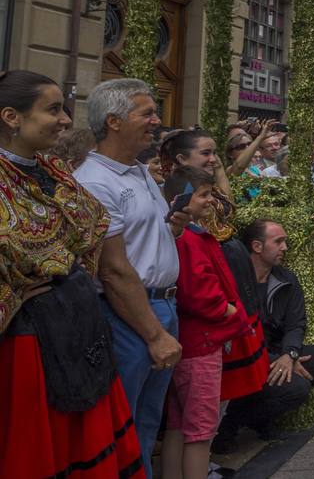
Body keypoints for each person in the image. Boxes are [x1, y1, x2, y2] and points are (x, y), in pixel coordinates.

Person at [0, 71, 145, 479]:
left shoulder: (54, 170)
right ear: (11, 117)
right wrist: (14, 293)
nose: (66, 119)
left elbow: (91, 226)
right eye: (53, 109)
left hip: (76, 324)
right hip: (27, 339)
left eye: (64, 108)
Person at [77, 78, 187, 478]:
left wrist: (173, 228)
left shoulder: (139, 172)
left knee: (147, 418)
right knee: (123, 423)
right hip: (130, 314)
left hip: (162, 305)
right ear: (114, 121)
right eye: (147, 113)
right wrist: (154, 334)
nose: (156, 121)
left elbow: (143, 243)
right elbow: (113, 268)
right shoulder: (95, 181)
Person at [161, 169, 256, 479]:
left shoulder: (188, 235)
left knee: (178, 424)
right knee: (201, 430)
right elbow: (199, 292)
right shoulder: (188, 240)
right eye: (203, 194)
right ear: (181, 199)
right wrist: (229, 311)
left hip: (189, 340)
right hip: (201, 343)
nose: (211, 200)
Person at [219, 218, 314, 447]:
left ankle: (257, 417)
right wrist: (278, 360)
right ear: (257, 247)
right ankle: (230, 425)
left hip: (278, 352)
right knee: (297, 387)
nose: (285, 248)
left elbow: (296, 324)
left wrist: (290, 355)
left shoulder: (286, 279)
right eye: (278, 242)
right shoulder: (235, 279)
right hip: (246, 355)